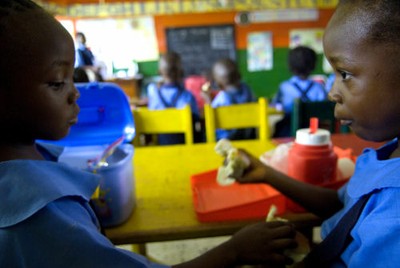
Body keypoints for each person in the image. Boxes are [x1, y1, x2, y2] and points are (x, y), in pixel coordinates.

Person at [0, 1, 300, 267]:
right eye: (57, 82)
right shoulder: (42, 217)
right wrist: (233, 251)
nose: (75, 94)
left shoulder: (36, 164)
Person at [234, 0, 400, 267]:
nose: (332, 92)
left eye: (344, 73)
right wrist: (266, 174)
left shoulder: (395, 215)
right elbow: (342, 206)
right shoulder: (390, 152)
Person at [147, 51, 203, 145]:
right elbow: (197, 119)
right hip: (185, 144)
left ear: (159, 71)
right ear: (181, 71)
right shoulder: (187, 96)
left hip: (162, 145)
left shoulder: (153, 93)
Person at [271, 46, 327, 137]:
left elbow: (275, 106)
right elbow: (324, 109)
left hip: (288, 133)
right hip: (315, 132)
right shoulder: (319, 87)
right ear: (313, 65)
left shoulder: (284, 87)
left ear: (290, 65)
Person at [211, 58, 256, 141]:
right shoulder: (248, 90)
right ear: (239, 75)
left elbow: (211, 117)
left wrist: (208, 100)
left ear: (218, 84)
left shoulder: (221, 99)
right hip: (249, 138)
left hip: (226, 141)